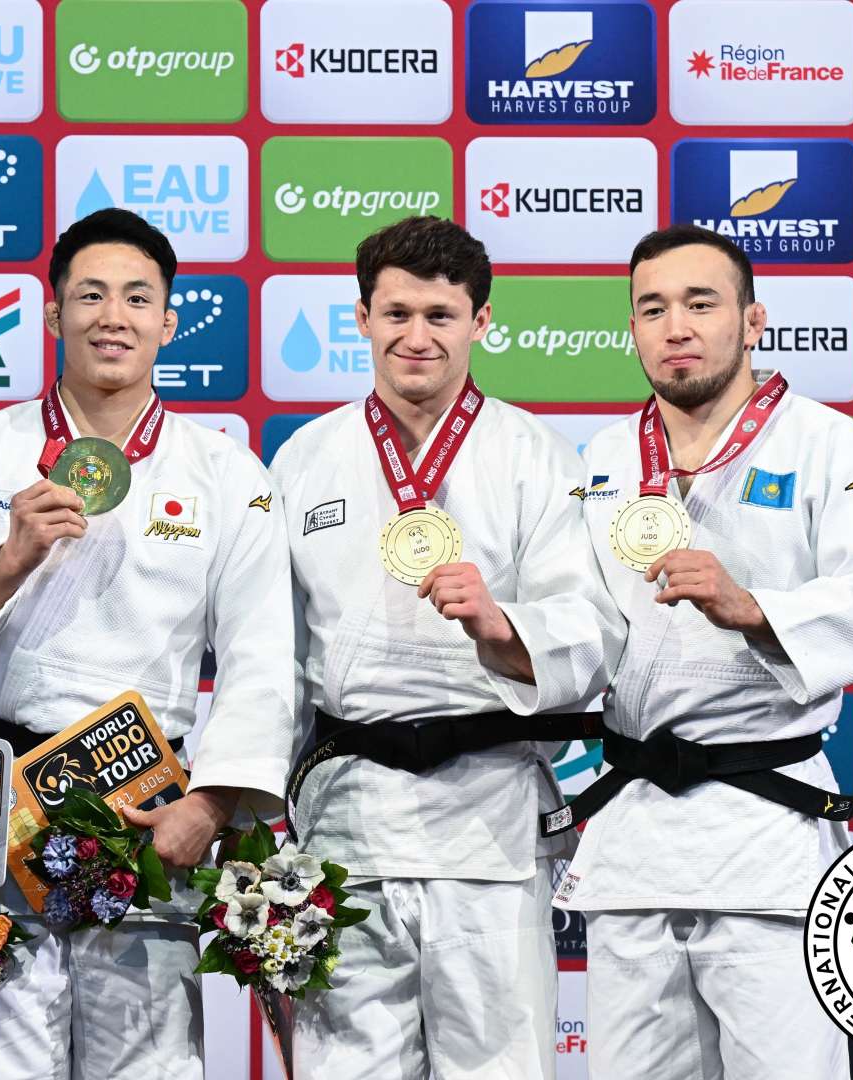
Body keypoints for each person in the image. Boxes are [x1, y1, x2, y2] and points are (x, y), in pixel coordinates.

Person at [0, 207, 295, 1080]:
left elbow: (263, 656)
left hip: (147, 813)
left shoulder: (224, 472)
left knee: (147, 1069)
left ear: (168, 322)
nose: (113, 316)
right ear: (51, 312)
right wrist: (10, 559)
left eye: (137, 298)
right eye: (91, 295)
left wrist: (211, 806)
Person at [552, 223, 853, 1079]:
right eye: (652, 308)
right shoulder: (603, 459)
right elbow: (576, 620)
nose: (674, 326)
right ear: (633, 331)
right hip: (633, 839)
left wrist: (750, 608)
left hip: (765, 838)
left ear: (752, 321)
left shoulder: (834, 448)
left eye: (699, 303)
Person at [270, 215, 623, 1080]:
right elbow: (269, 654)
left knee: (500, 1066)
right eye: (395, 314)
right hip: (344, 821)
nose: (416, 337)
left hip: (488, 821)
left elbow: (590, 625)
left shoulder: (533, 454)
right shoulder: (305, 458)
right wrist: (254, 817)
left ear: (481, 321)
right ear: (359, 320)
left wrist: (504, 626)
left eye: (439, 315)